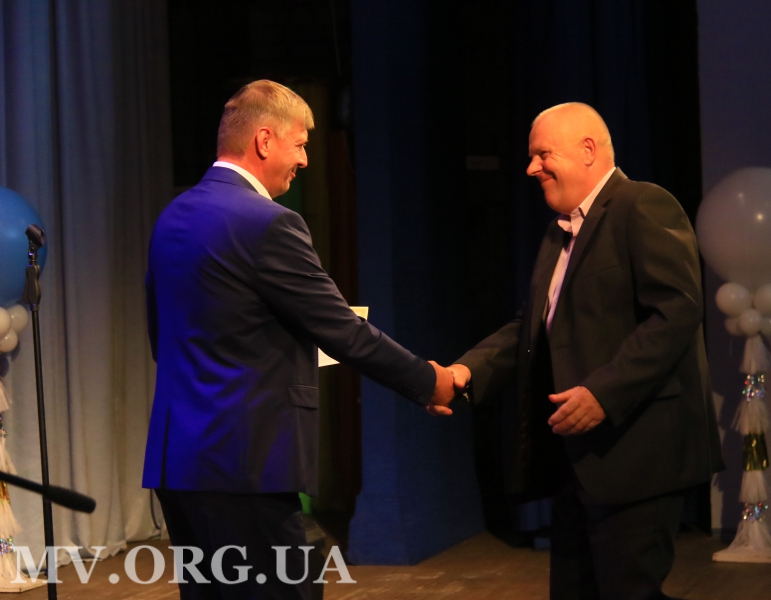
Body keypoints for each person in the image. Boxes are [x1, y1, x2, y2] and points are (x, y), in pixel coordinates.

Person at [142, 80, 455, 599]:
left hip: (179, 463)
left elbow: (163, 337)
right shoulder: (269, 224)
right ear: (264, 140)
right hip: (247, 465)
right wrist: (428, 381)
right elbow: (342, 329)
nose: (305, 160)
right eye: (301, 143)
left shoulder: (172, 216)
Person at [448, 103, 724, 600]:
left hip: (638, 455)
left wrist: (603, 393)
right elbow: (533, 327)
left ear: (588, 150)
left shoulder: (643, 205)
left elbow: (677, 312)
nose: (531, 168)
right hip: (577, 463)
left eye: (542, 154)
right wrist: (466, 371)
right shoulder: (559, 231)